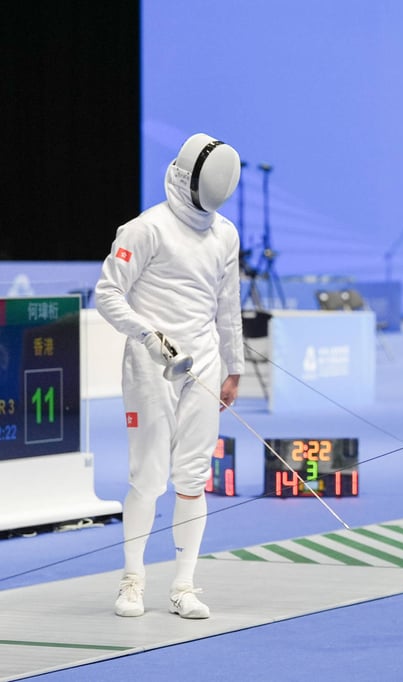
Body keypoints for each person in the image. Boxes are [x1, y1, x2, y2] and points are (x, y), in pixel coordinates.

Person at [95, 133, 244, 619]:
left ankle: (184, 586)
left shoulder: (225, 234)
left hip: (203, 363)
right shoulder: (146, 229)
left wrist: (234, 367)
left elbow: (228, 305)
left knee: (193, 477)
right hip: (150, 364)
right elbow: (107, 293)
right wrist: (147, 334)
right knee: (148, 476)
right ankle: (132, 580)